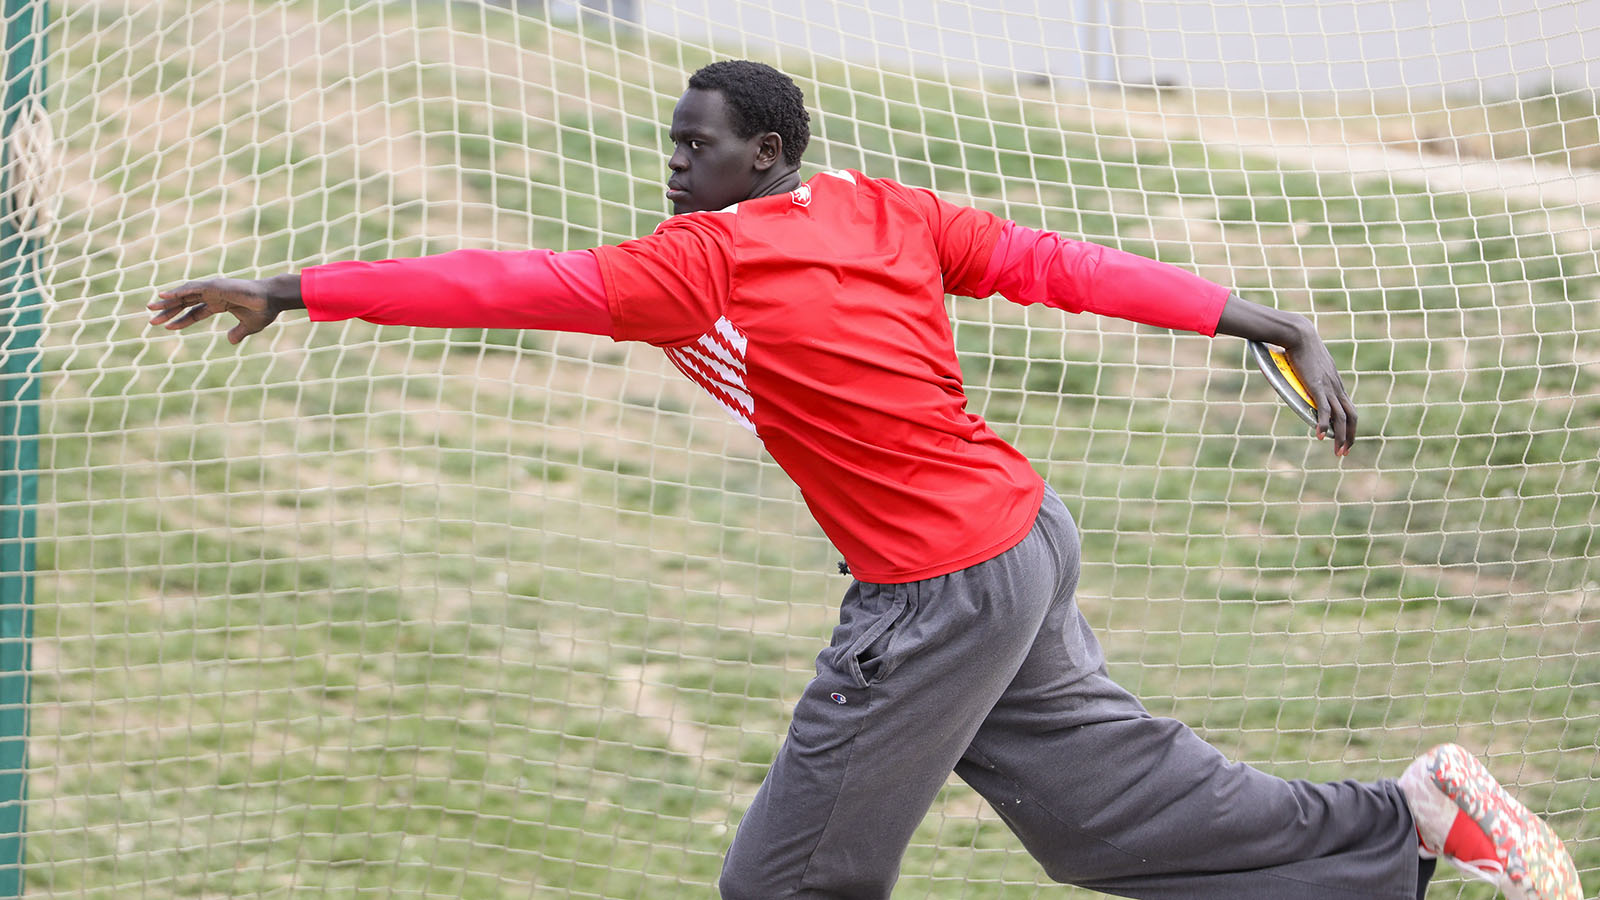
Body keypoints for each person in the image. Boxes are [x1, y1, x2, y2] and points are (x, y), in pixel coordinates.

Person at [148, 60, 1582, 900]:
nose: (674, 165)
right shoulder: (884, 211)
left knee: (781, 883)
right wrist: (1256, 317)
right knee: (1102, 822)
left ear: (763, 154)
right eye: (672, 143)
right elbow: (1056, 263)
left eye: (698, 146)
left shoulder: (699, 260)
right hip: (1022, 544)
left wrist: (296, 287)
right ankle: (1415, 816)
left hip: (941, 592)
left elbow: (504, 283)